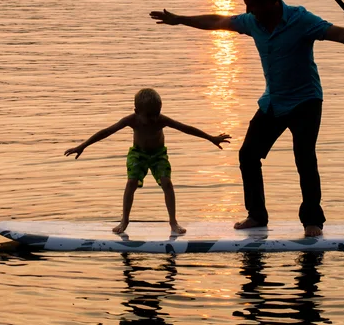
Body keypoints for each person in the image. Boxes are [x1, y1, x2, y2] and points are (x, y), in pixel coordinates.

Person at [149, 0, 344, 237]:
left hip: (305, 101)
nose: (248, 11)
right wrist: (180, 19)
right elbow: (217, 21)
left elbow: (336, 32)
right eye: (246, 4)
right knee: (248, 155)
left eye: (252, 4)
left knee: (304, 157)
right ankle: (257, 215)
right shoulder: (252, 22)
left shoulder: (301, 20)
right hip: (273, 101)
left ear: (271, 0)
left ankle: (312, 221)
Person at [65, 88, 230, 235]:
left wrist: (211, 138)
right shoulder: (131, 120)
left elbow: (186, 128)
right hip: (138, 154)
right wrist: (82, 146)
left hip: (158, 155)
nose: (153, 119)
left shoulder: (161, 120)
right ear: (137, 112)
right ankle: (124, 220)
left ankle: (173, 222)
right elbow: (107, 131)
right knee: (131, 183)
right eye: (149, 116)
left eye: (156, 114)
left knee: (167, 183)